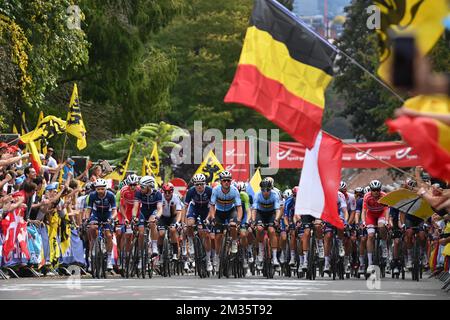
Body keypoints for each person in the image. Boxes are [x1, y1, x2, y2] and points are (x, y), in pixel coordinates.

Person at [207, 171, 242, 269]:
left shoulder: (234, 190)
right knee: (218, 237)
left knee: (233, 225)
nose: (226, 182)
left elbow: (239, 207)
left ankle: (234, 242)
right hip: (219, 212)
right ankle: (217, 258)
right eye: (224, 181)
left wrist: (238, 220)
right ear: (221, 182)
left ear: (230, 181)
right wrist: (213, 218)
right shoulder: (215, 190)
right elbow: (212, 206)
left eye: (228, 180)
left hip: (230, 211)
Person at [86, 178, 117, 270]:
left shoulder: (111, 195)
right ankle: (92, 256)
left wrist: (111, 218)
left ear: (105, 188)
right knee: (92, 229)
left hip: (107, 215)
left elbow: (115, 211)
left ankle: (108, 259)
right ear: (95, 189)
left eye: (102, 189)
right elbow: (89, 209)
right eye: (98, 189)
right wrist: (87, 219)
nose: (100, 191)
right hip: (96, 214)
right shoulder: (92, 195)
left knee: (108, 235)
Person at [185, 173, 213, 272]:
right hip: (195, 208)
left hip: (206, 209)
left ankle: (209, 260)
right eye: (197, 184)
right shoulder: (191, 191)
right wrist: (184, 221)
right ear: (194, 185)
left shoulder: (209, 190)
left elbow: (213, 206)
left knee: (206, 234)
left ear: (205, 184)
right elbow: (185, 207)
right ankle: (192, 243)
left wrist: (209, 218)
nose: (199, 186)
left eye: (201, 184)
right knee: (189, 224)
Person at [252, 178, 282, 268]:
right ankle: (260, 252)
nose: (265, 192)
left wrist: (276, 220)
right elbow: (254, 210)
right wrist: (253, 221)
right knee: (259, 229)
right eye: (263, 190)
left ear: (271, 189)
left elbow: (277, 210)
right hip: (260, 214)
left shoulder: (275, 195)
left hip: (271, 214)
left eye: (268, 189)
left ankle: (274, 257)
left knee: (272, 231)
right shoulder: (257, 195)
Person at [132, 175, 163, 263]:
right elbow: (135, 206)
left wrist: (157, 217)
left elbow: (159, 208)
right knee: (141, 232)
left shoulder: (157, 193)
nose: (140, 188)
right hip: (143, 212)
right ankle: (141, 253)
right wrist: (134, 216)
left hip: (153, 211)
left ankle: (154, 246)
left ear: (149, 186)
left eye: (142, 187)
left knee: (152, 223)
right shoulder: (138, 192)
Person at [361, 180, 389, 274]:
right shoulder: (367, 196)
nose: (376, 192)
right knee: (371, 235)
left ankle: (384, 244)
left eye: (377, 190)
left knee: (381, 226)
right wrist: (364, 222)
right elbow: (364, 211)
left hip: (381, 214)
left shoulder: (384, 195)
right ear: (371, 190)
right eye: (374, 190)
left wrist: (387, 221)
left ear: (380, 190)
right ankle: (370, 262)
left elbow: (387, 210)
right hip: (371, 216)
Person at [159, 183, 183, 262]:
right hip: (162, 217)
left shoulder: (176, 197)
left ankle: (175, 253)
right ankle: (160, 254)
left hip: (172, 217)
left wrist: (177, 223)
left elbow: (179, 212)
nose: (167, 194)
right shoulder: (160, 197)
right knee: (161, 233)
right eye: (165, 192)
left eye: (169, 192)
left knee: (173, 230)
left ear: (172, 191)